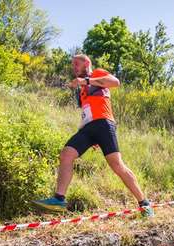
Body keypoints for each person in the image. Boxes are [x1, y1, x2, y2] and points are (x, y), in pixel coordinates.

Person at [32, 54, 154, 217]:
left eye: (77, 63)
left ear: (87, 63)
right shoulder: (82, 91)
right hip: (88, 128)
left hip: (104, 124)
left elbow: (115, 83)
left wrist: (86, 81)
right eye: (72, 64)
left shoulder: (96, 73)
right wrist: (87, 131)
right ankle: (59, 199)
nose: (74, 67)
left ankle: (144, 203)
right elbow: (86, 111)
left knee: (117, 166)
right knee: (67, 154)